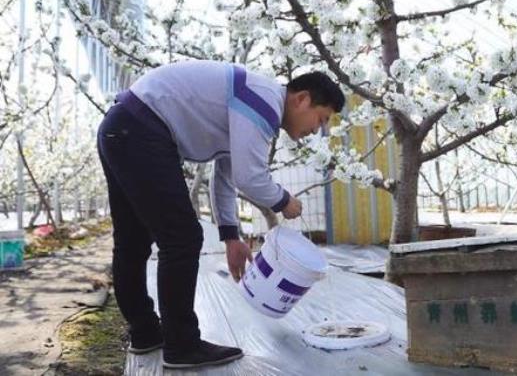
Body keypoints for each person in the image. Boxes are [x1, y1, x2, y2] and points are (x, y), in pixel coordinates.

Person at [96, 60, 345, 369]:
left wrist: (230, 237)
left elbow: (225, 176)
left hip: (121, 129)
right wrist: (284, 201)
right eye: (321, 119)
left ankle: (146, 332)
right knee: (182, 238)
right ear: (302, 99)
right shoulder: (265, 100)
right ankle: (182, 344)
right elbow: (249, 178)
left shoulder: (253, 106)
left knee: (133, 240)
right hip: (141, 130)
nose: (316, 131)